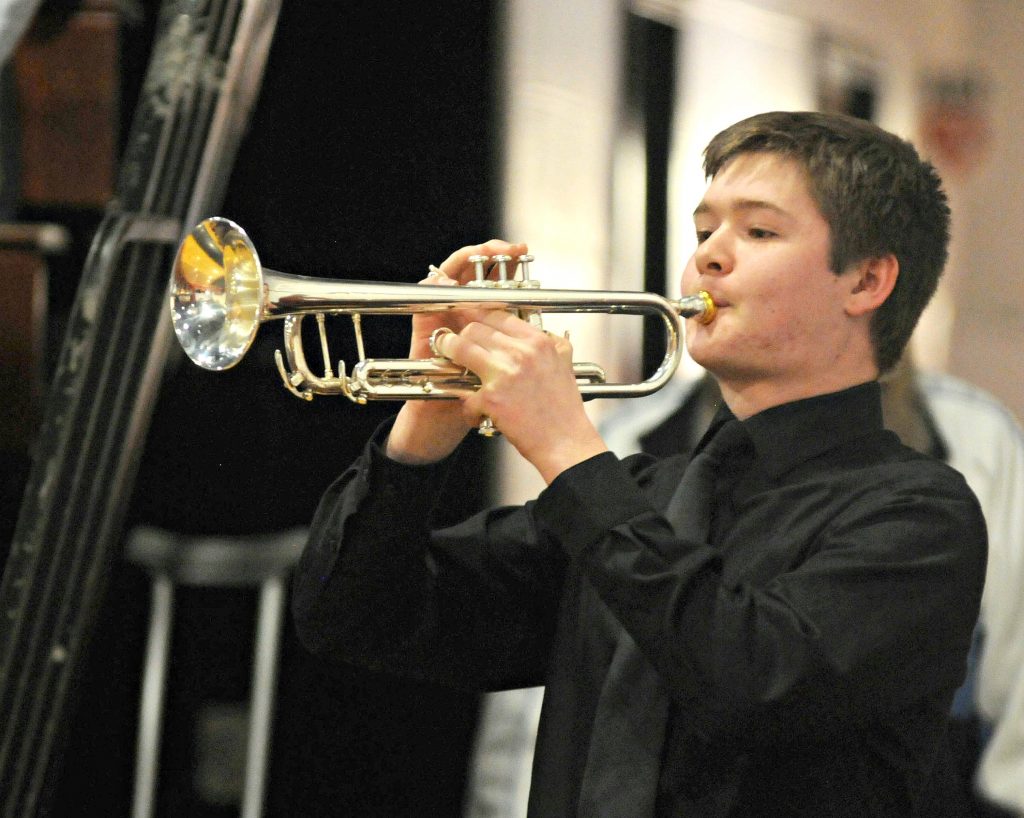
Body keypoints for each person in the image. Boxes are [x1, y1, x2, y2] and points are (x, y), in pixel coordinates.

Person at [291, 111, 988, 816]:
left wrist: (568, 449)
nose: (709, 258)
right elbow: (354, 616)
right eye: (703, 231)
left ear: (866, 281)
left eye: (759, 231)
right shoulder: (641, 494)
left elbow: (749, 680)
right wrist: (422, 436)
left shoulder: (920, 515)